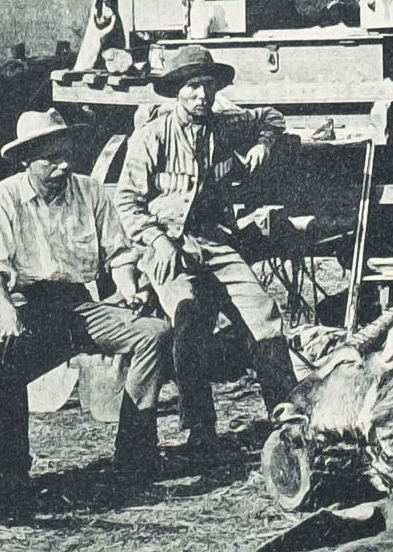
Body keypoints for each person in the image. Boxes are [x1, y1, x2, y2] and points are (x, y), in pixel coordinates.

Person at [0, 106, 183, 499]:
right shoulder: (4, 198)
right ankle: (13, 472)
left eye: (67, 154)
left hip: (80, 306)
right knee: (5, 359)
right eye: (51, 158)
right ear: (26, 160)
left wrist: (128, 287)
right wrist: (5, 312)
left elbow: (119, 253)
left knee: (154, 333)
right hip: (27, 306)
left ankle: (133, 457)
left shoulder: (91, 191)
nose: (64, 165)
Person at [112, 44, 275, 428]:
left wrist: (263, 143)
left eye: (208, 86)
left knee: (264, 313)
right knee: (189, 319)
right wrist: (157, 242)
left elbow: (271, 117)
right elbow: (127, 202)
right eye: (192, 87)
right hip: (165, 243)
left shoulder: (226, 126)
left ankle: (288, 416)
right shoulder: (152, 137)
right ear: (176, 91)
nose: (201, 95)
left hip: (214, 241)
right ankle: (200, 429)